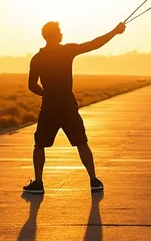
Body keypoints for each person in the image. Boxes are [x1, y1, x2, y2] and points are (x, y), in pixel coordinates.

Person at [23, 20, 126, 194]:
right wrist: (114, 32)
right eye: (60, 32)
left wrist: (46, 94)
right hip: (68, 105)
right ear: (55, 35)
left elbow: (32, 85)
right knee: (81, 142)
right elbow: (94, 44)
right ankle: (94, 181)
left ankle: (38, 183)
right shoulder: (67, 51)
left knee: (39, 145)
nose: (62, 34)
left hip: (49, 106)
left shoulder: (38, 58)